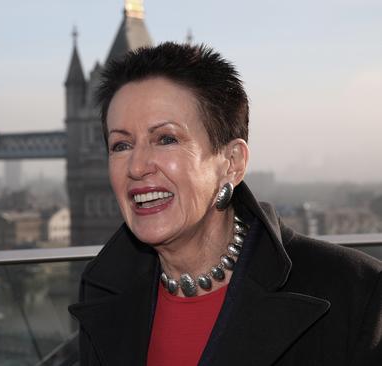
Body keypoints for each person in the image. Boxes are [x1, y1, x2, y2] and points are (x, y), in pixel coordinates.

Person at [68, 42, 382, 366]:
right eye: (121, 144)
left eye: (166, 139)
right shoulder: (102, 294)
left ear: (232, 162)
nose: (136, 166)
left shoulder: (355, 293)